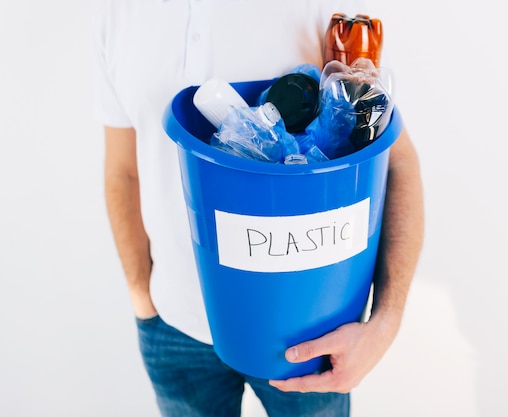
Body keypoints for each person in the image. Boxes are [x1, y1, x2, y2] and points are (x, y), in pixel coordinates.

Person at [92, 0, 424, 415]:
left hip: (311, 339)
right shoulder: (118, 14)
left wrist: (385, 322)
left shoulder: (322, 11)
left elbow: (396, 161)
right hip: (174, 327)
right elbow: (123, 171)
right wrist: (143, 298)